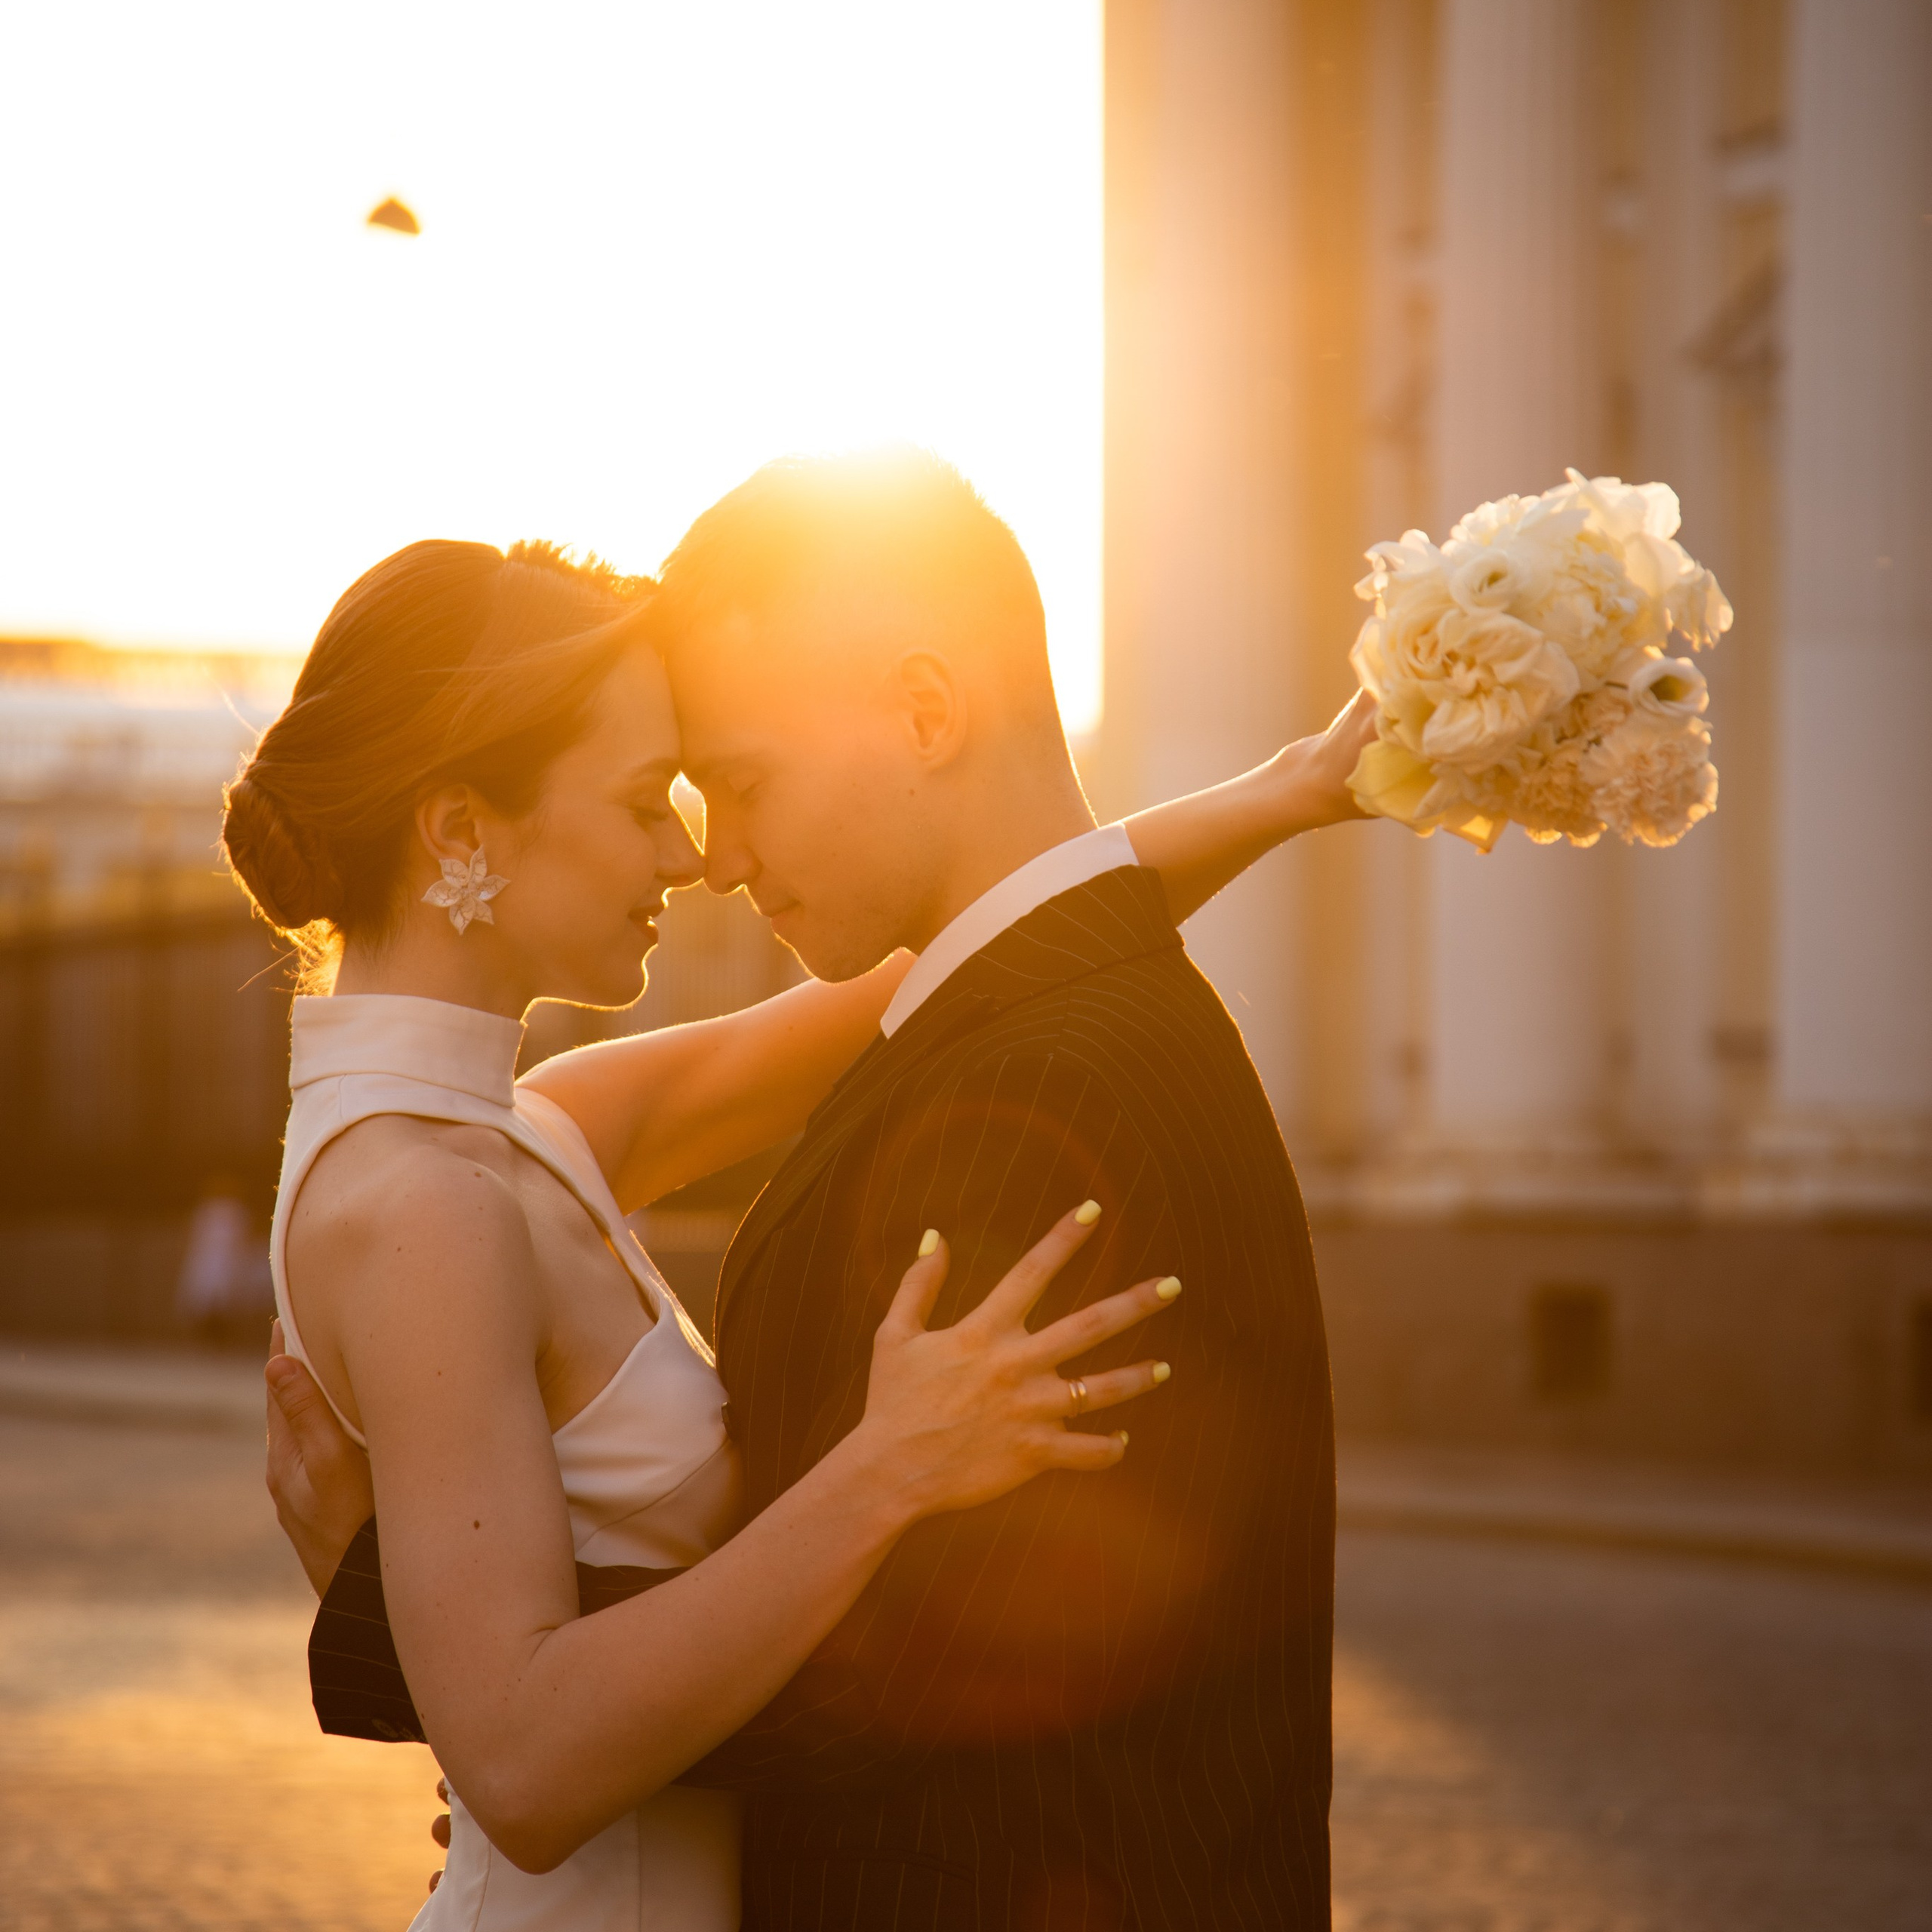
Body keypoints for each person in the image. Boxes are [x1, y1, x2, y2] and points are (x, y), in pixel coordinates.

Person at [262, 460, 1377, 1930]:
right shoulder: (427, 1202)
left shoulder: (534, 1127)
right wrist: (885, 1463)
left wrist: (1279, 793)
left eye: (720, 783)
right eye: (647, 795)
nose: (695, 853)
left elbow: (966, 958)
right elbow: (527, 1754)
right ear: (463, 832)